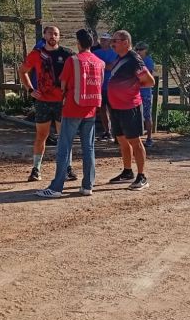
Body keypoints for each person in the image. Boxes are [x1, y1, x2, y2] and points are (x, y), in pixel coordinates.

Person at [36, 29, 105, 198]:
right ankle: (88, 185)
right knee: (89, 148)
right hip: (90, 108)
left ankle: (57, 187)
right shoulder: (99, 62)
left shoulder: (73, 60)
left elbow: (63, 84)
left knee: (64, 146)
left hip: (73, 107)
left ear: (78, 43)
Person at [20, 25, 74, 183]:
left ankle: (68, 168)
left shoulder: (68, 54)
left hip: (62, 102)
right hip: (43, 101)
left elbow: (76, 73)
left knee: (64, 137)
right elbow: (22, 70)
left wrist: (71, 93)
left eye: (56, 34)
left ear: (59, 36)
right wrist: (30, 89)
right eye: (50, 33)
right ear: (44, 35)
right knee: (41, 136)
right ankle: (36, 169)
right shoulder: (36, 54)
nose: (53, 36)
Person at [106, 30, 154, 190]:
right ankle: (127, 171)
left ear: (126, 42)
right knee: (122, 140)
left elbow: (149, 81)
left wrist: (133, 88)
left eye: (115, 40)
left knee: (135, 141)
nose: (112, 43)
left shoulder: (134, 59)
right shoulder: (119, 58)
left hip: (130, 107)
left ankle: (142, 176)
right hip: (116, 107)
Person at [92, 32, 118, 141]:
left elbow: (111, 67)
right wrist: (106, 65)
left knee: (113, 109)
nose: (103, 41)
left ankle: (116, 132)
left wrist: (101, 65)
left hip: (112, 86)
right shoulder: (95, 53)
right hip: (99, 86)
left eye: (106, 40)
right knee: (102, 109)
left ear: (110, 41)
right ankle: (107, 131)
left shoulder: (115, 53)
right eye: (102, 39)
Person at [135, 42, 156, 148]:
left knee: (147, 115)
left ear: (146, 50)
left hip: (145, 92)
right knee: (135, 115)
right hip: (136, 91)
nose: (138, 51)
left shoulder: (148, 61)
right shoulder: (135, 60)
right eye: (137, 49)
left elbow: (149, 77)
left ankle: (149, 138)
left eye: (141, 49)